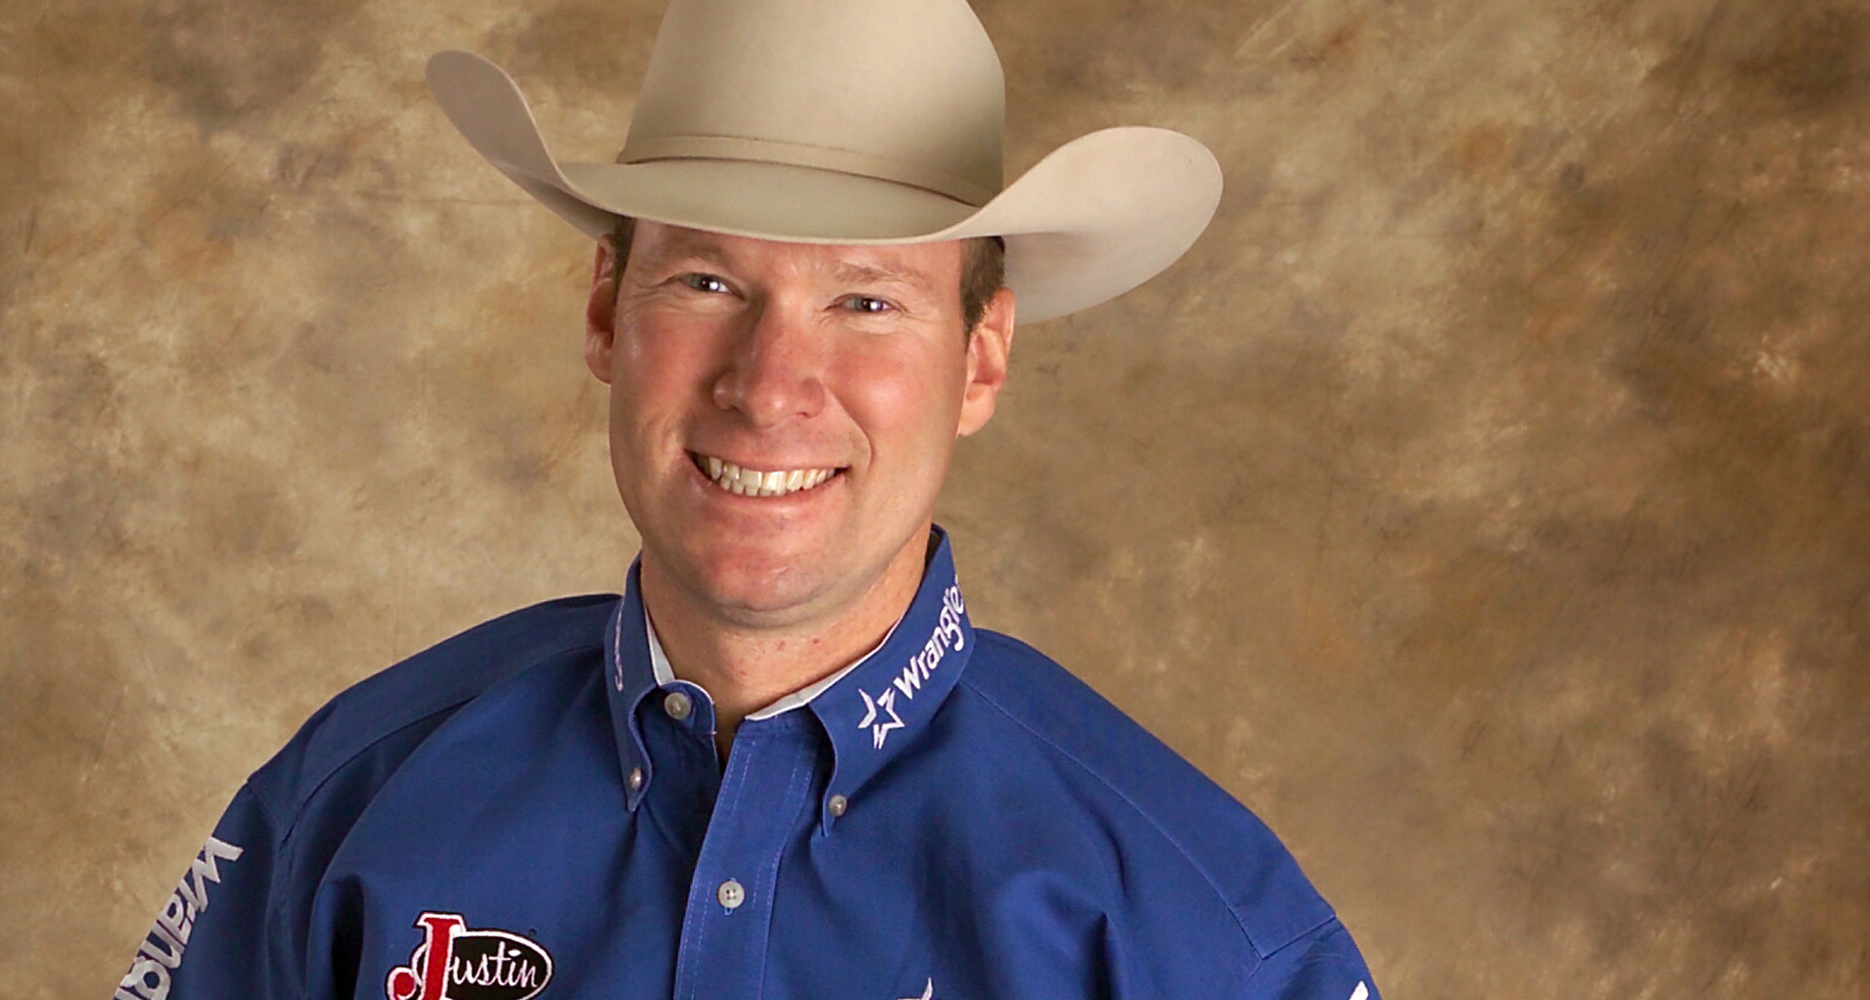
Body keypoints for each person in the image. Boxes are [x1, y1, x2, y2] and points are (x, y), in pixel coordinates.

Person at [117, 2, 1381, 998]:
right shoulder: (351, 799)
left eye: (866, 301)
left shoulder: (1196, 922)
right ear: (608, 310)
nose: (771, 389)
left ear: (981, 357)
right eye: (709, 283)